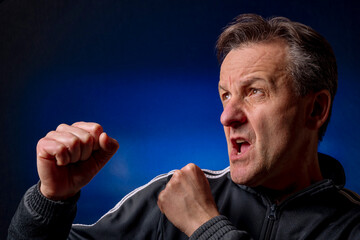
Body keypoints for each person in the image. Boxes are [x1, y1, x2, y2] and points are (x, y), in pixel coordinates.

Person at [8, 13, 360, 240]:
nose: (228, 116)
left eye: (254, 92)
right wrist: (50, 202)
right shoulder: (168, 196)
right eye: (225, 96)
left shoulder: (351, 226)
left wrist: (204, 227)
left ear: (315, 109)